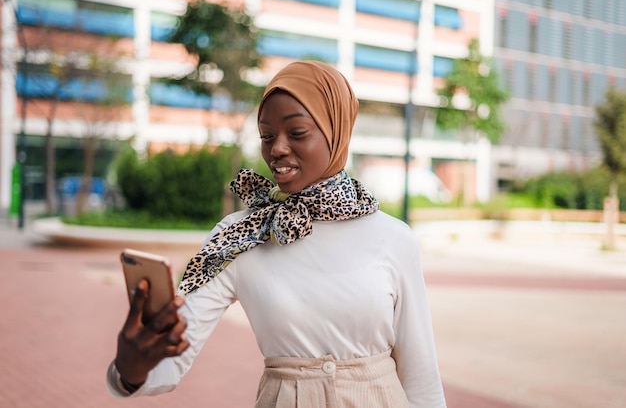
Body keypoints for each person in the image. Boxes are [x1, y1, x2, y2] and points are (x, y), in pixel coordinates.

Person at [107, 60, 447, 407]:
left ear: (337, 131)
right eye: (266, 136)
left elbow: (421, 378)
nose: (277, 149)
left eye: (297, 133)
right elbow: (172, 357)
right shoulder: (239, 236)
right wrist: (131, 368)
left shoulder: (393, 237)